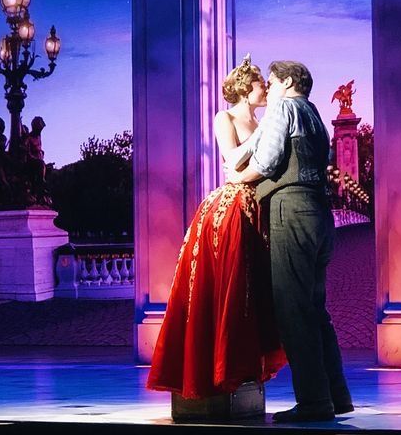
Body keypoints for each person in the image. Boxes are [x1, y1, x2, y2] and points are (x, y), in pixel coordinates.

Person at [147, 55, 286, 400]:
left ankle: (243, 366)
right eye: (259, 83)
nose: (265, 88)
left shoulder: (266, 120)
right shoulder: (224, 117)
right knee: (230, 283)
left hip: (262, 204)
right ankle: (219, 366)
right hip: (234, 206)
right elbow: (231, 158)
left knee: (256, 291)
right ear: (243, 86)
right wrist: (261, 141)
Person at [233, 60, 354, 423]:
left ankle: (314, 401)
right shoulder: (314, 113)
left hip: (291, 210)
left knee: (293, 311)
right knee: (316, 311)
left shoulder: (282, 107)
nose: (267, 88)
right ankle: (336, 395)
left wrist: (235, 179)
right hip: (319, 213)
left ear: (287, 82)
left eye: (271, 81)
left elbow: (268, 162)